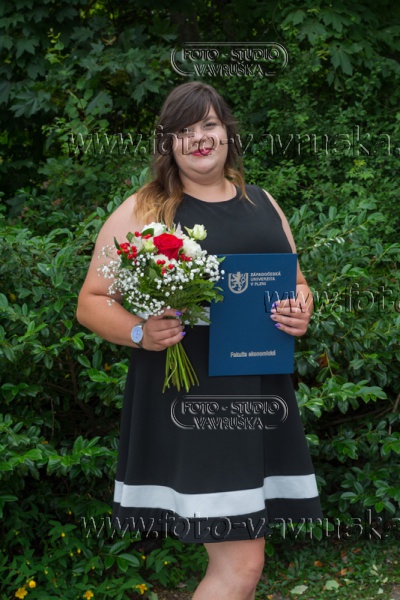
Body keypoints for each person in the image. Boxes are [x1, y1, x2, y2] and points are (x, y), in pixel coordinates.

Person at [77, 81, 322, 600]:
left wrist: (301, 309)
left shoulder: (264, 202)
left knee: (245, 563)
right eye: (184, 130)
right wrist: (141, 332)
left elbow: (298, 283)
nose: (200, 138)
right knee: (242, 565)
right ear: (168, 143)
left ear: (228, 132)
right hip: (192, 397)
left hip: (259, 392)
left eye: (209, 124)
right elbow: (92, 301)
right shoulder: (145, 209)